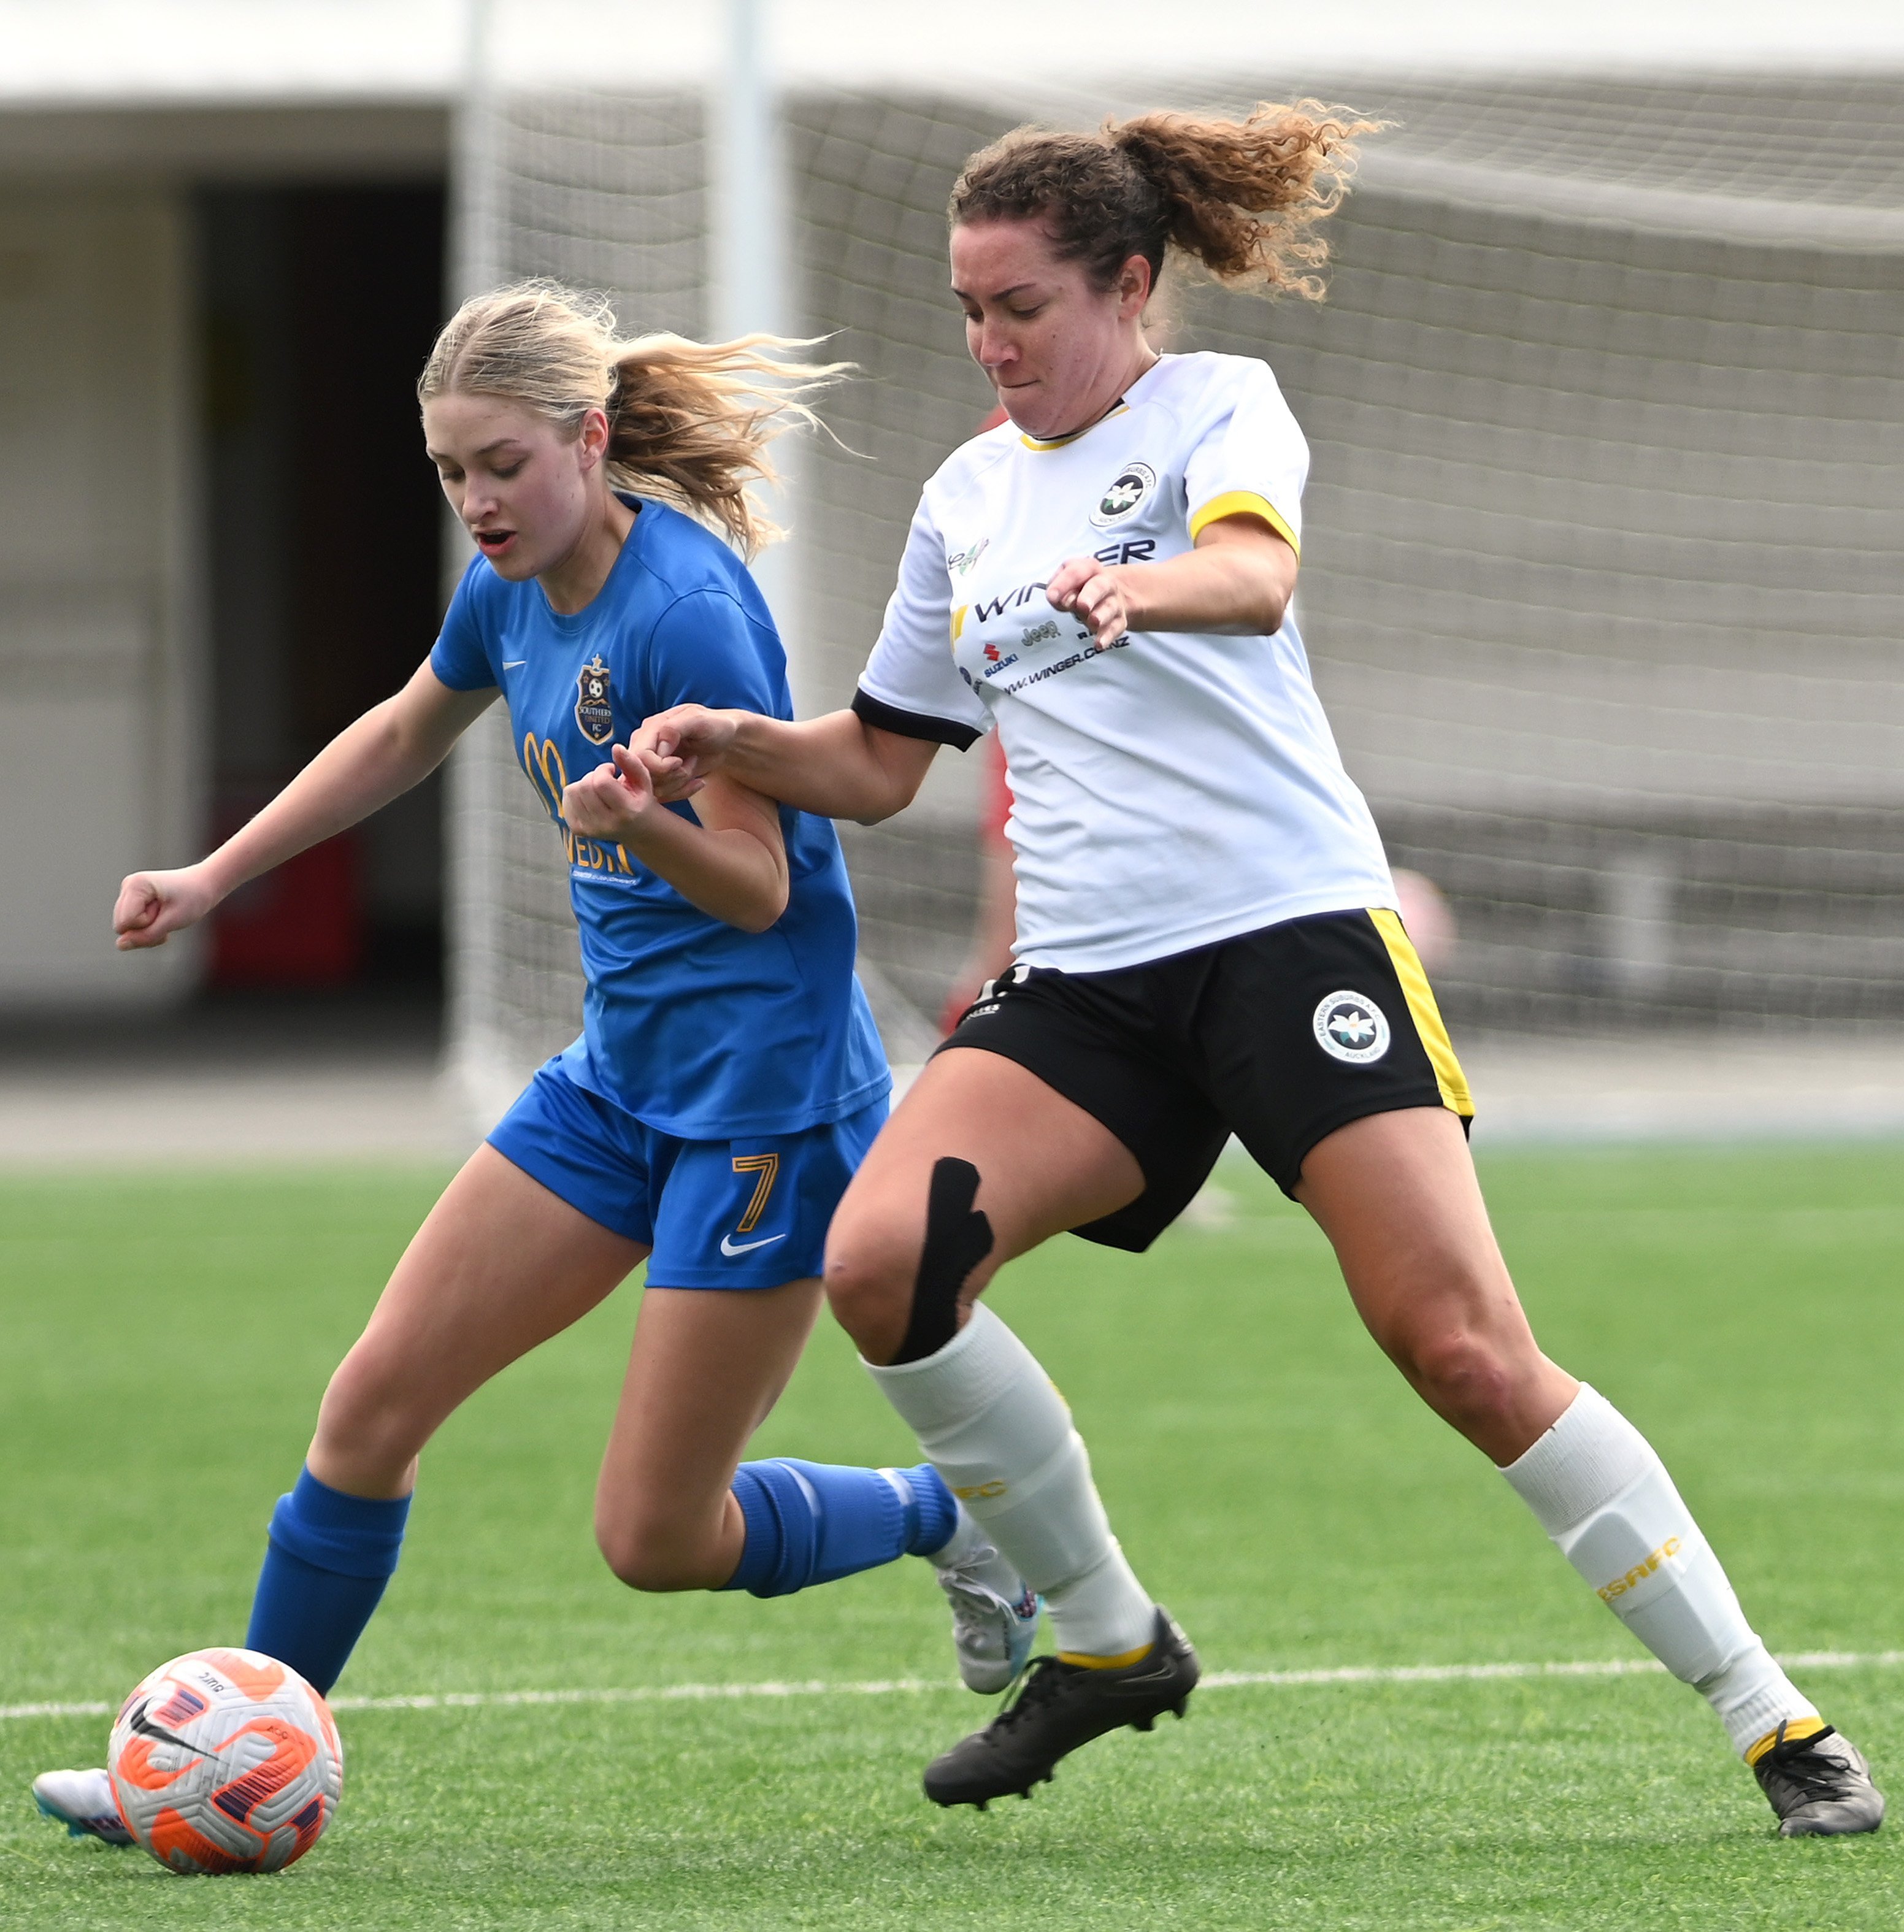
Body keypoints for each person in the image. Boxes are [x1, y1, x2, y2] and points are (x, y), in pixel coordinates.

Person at [631, 107, 1884, 1835]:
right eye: (969, 308)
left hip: (1289, 936)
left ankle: (1773, 1713)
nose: (991, 343)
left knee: (1457, 1344)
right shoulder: (965, 494)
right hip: (1087, 985)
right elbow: (881, 755)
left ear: (1130, 286)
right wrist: (738, 742)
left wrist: (1139, 587)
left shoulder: (1220, 411)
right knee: (885, 1263)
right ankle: (1106, 1635)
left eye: (1024, 306)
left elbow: (1255, 569)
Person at [30, 282, 1039, 1848]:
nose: (475, 502)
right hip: (615, 1083)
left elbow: (766, 886)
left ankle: (950, 1517)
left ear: (590, 437)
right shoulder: (504, 592)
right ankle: (241, 1748)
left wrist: (641, 823)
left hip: (762, 1112)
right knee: (369, 1407)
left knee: (656, 1536)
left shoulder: (687, 610)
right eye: (449, 473)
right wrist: (214, 877)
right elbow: (402, 728)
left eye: (501, 465)